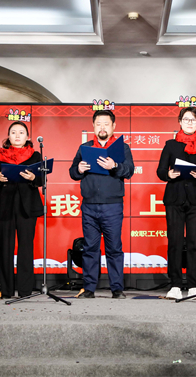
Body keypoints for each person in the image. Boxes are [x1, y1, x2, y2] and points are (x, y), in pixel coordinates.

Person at [69, 109, 135, 299]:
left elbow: (129, 171)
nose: (102, 127)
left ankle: (117, 289)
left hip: (112, 206)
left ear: (113, 126)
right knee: (90, 248)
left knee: (114, 248)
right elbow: (72, 172)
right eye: (98, 124)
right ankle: (89, 288)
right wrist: (79, 169)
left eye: (106, 124)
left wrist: (114, 166)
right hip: (89, 205)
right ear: (93, 126)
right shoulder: (85, 148)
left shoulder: (122, 148)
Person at [156, 107, 196, 300]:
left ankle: (193, 285)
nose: (190, 123)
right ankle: (175, 284)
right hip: (175, 198)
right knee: (175, 242)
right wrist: (169, 174)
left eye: (193, 120)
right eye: (186, 119)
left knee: (194, 243)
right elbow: (160, 170)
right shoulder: (171, 145)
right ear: (180, 122)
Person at [0, 121, 43, 299]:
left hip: (27, 206)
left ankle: (25, 290)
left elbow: (42, 179)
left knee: (26, 248)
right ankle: (7, 290)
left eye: (21, 132)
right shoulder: (0, 155)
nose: (17, 136)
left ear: (27, 137)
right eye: (13, 132)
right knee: (6, 248)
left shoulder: (35, 155)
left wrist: (33, 178)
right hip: (6, 205)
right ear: (8, 136)